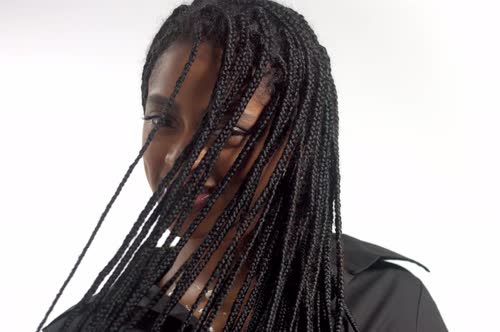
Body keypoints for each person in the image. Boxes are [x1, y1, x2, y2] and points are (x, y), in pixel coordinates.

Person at [38, 0, 447, 331]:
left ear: (299, 142)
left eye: (231, 128)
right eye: (163, 121)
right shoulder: (96, 322)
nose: (184, 156)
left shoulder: (382, 304)